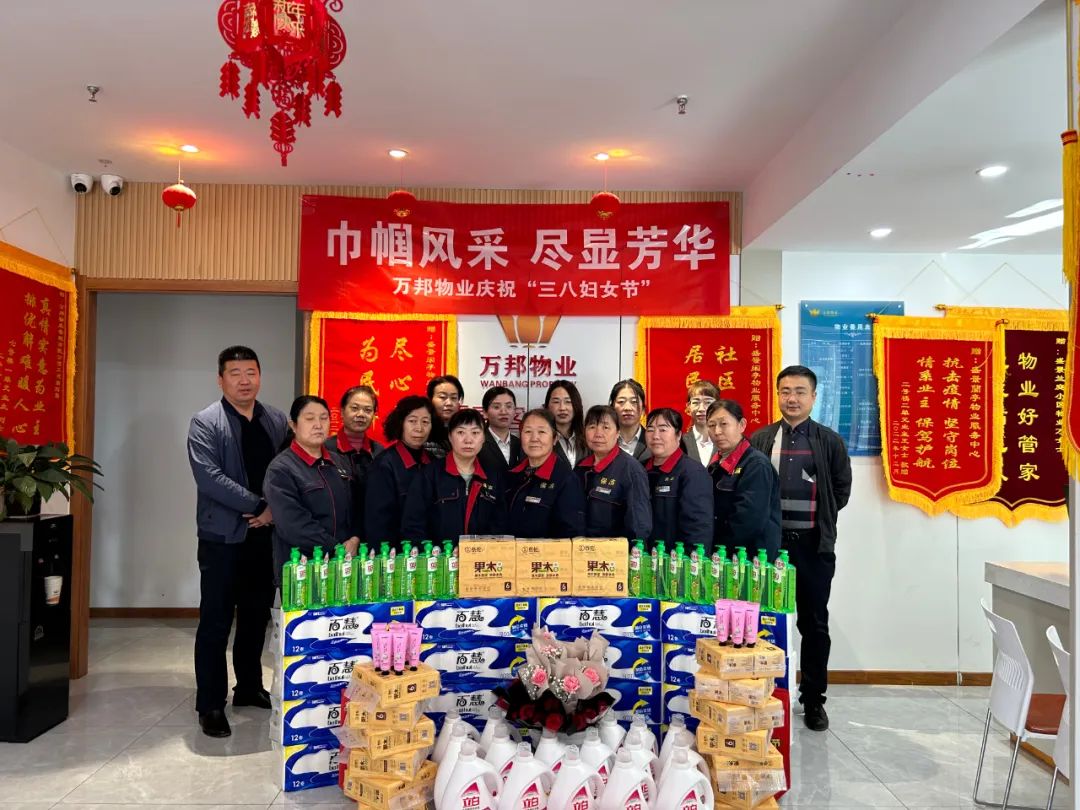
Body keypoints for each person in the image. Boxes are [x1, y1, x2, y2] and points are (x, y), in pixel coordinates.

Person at [187, 345, 287, 739]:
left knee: (255, 615)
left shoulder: (274, 419)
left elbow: (287, 469)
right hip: (222, 537)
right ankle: (210, 703)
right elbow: (209, 477)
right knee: (216, 619)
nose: (244, 381)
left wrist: (274, 510)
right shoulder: (205, 422)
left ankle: (248, 686)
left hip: (264, 536)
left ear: (260, 376)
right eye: (235, 373)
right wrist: (259, 505)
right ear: (220, 379)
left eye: (251, 372)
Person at [750, 365, 851, 732]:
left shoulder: (829, 441)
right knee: (762, 620)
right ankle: (759, 694)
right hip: (769, 548)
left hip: (812, 546)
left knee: (813, 623)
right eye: (785, 391)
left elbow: (840, 492)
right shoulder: (762, 439)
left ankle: (813, 699)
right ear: (777, 395)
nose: (791, 398)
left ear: (813, 397)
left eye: (799, 391)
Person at [264, 395, 360, 575]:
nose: (318, 425)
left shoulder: (341, 462)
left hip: (344, 564)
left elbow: (357, 507)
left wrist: (355, 538)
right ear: (293, 425)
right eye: (309, 419)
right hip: (303, 568)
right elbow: (293, 525)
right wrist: (335, 548)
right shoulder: (281, 469)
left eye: (324, 418)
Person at [402, 408, 505, 540]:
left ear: (483, 438)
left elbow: (500, 525)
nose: (468, 440)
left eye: (475, 433)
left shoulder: (493, 477)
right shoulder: (429, 475)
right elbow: (413, 524)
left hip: (481, 553)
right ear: (450, 436)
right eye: (461, 432)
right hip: (439, 552)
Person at [706, 400, 780, 561]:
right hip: (723, 554)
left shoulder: (756, 464)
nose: (717, 431)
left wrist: (718, 548)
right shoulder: (715, 464)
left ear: (742, 425)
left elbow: (748, 520)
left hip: (749, 557)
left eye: (724, 424)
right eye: (711, 425)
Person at [364, 396, 441, 545]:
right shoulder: (384, 465)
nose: (419, 428)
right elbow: (378, 524)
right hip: (397, 552)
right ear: (401, 423)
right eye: (412, 421)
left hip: (430, 550)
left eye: (425, 422)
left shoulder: (434, 462)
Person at [575, 405, 652, 540]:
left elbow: (639, 526)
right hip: (580, 549)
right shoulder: (580, 468)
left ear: (617, 433)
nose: (598, 434)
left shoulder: (631, 470)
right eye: (592, 427)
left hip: (614, 550)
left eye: (605, 427)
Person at [505, 409, 585, 538]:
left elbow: (571, 533)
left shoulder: (566, 479)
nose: (534, 438)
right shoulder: (513, 475)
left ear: (555, 439)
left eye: (541, 432)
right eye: (528, 432)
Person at [643, 408, 713, 553]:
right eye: (650, 429)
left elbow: (698, 529)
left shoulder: (692, 472)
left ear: (679, 435)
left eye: (663, 429)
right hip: (642, 557)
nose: (655, 436)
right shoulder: (639, 470)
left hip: (676, 560)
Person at [325, 385, 384, 540]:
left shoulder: (380, 452)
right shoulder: (325, 449)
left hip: (370, 535)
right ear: (342, 412)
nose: (361, 414)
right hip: (333, 537)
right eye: (355, 408)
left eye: (367, 410)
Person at [477, 385, 522, 475]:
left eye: (508, 406)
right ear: (485, 412)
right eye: (497, 407)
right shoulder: (477, 442)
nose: (504, 412)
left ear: (515, 411)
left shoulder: (520, 444)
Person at [545, 380, 586, 468]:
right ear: (547, 406)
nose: (562, 408)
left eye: (568, 402)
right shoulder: (540, 439)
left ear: (576, 405)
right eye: (556, 402)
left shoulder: (587, 438)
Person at [609, 379, 651, 463]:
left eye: (634, 402)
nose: (627, 408)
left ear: (643, 409)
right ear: (612, 408)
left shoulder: (653, 441)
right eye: (621, 401)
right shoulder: (603, 440)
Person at [681, 380, 720, 467]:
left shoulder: (728, 442)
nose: (701, 408)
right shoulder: (679, 443)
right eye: (696, 402)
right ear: (688, 406)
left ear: (718, 406)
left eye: (708, 402)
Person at [425, 374, 464, 458]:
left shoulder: (464, 431)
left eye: (454, 398)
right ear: (430, 399)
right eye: (442, 397)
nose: (449, 403)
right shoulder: (423, 430)